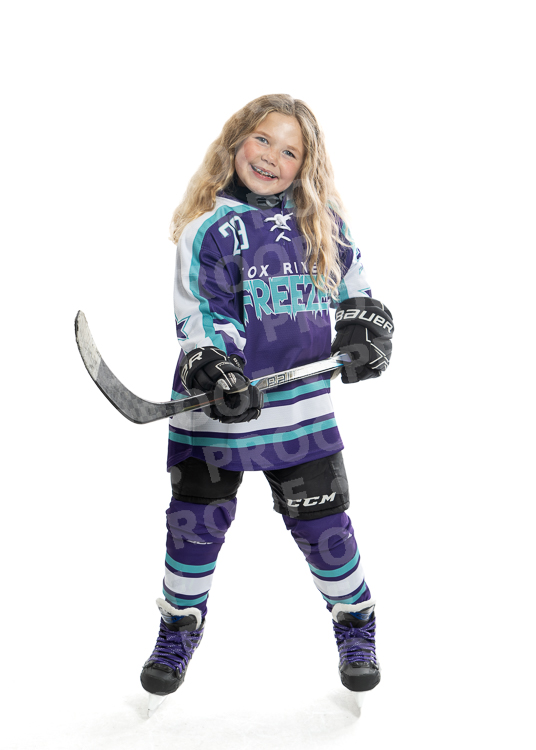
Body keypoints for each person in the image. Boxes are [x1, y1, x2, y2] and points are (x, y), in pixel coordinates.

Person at [140, 94, 394, 710]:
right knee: (193, 530)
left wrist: (364, 328)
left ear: (306, 164)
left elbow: (355, 286)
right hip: (214, 410)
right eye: (262, 140)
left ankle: (355, 622)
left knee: (326, 529)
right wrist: (217, 366)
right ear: (236, 141)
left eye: (290, 151)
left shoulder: (322, 221)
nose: (271, 157)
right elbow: (202, 314)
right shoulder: (208, 229)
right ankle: (179, 627)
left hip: (300, 413)